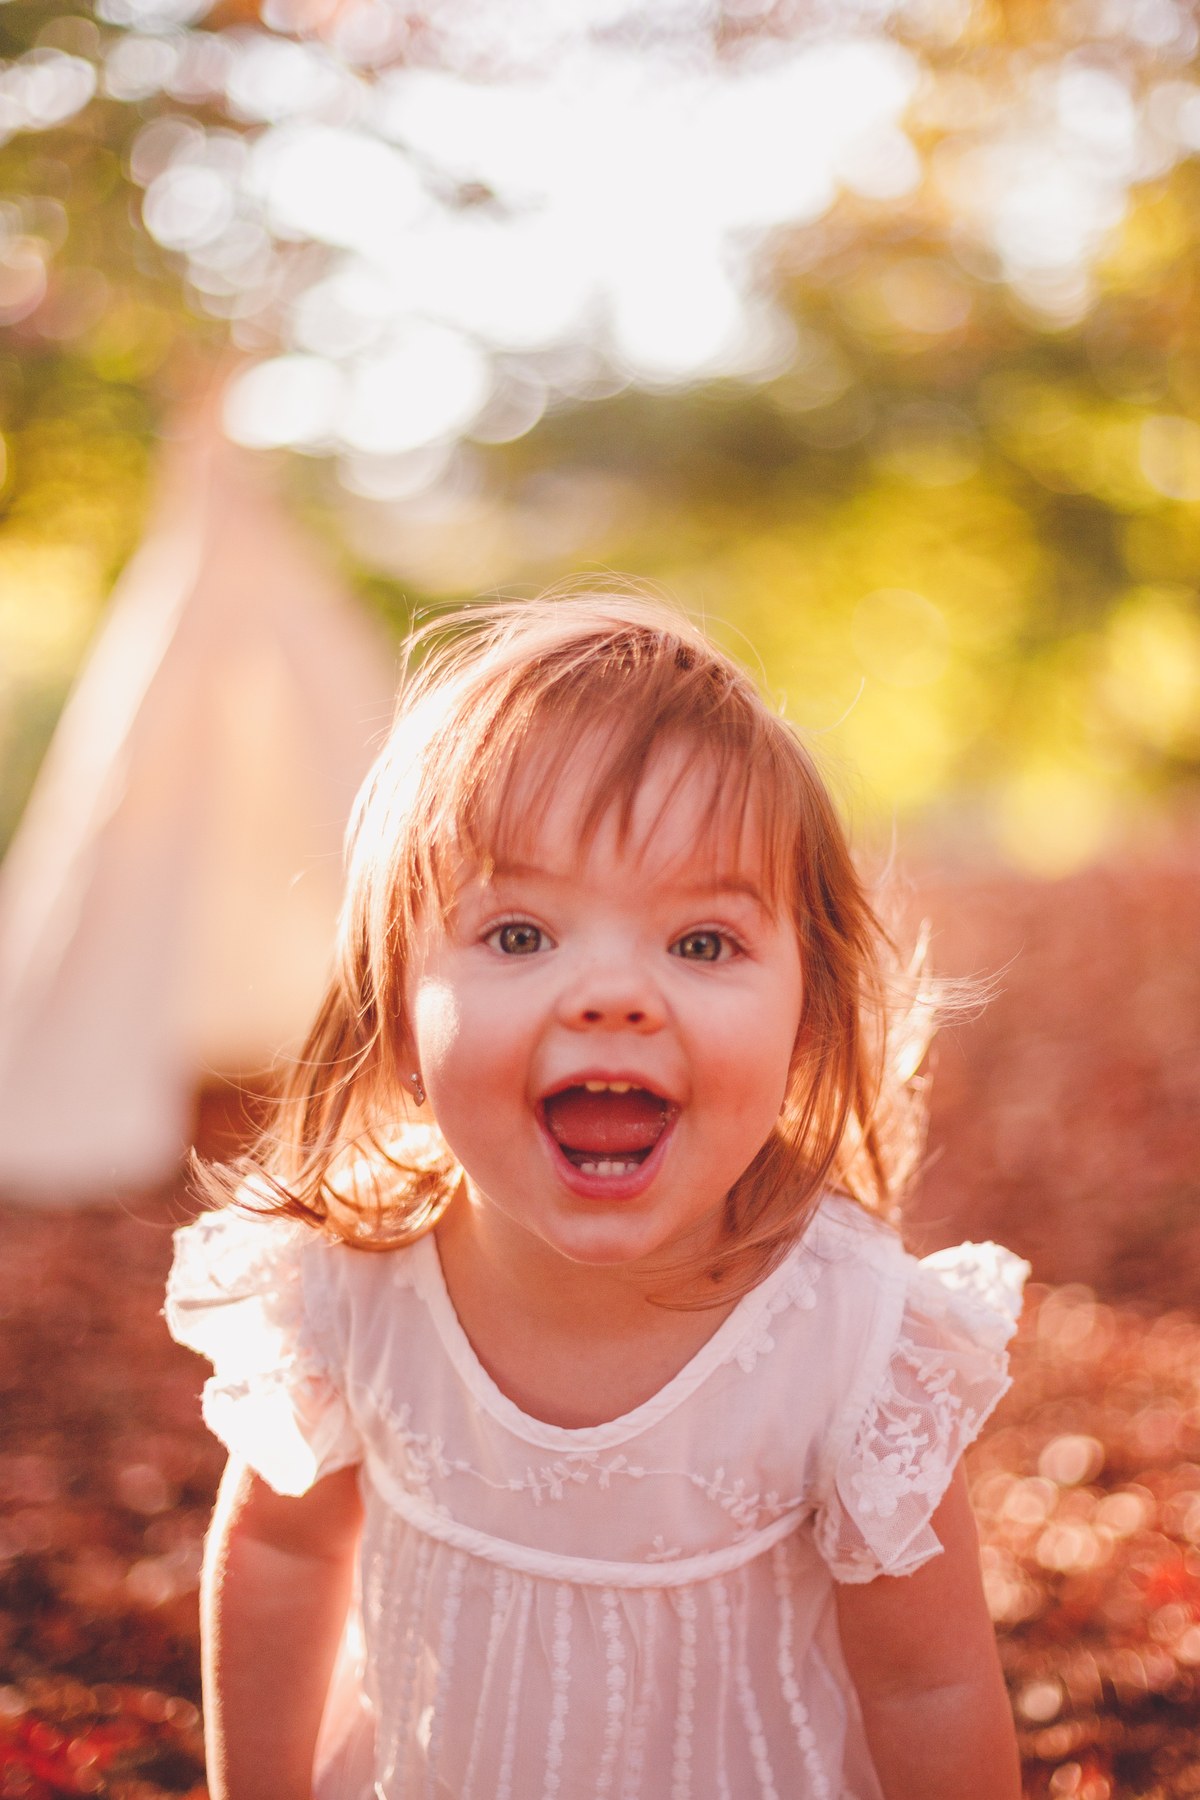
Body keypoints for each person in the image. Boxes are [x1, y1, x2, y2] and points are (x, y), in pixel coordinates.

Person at [166, 593, 1028, 1800]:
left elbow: (928, 1688)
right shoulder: (345, 1286)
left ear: (806, 1023)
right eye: (520, 935)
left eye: (703, 943)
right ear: (401, 1017)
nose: (611, 994)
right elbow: (282, 1553)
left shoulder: (852, 1339)